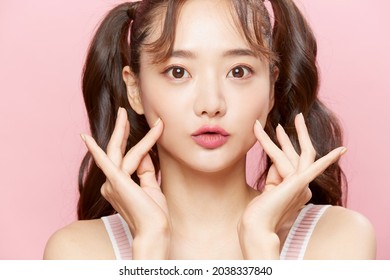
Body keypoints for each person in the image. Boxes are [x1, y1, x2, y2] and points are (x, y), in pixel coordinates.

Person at [44, 0, 376, 259]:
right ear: (135, 90)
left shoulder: (339, 240)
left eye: (239, 71)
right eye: (177, 72)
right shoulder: (76, 254)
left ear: (272, 87)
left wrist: (260, 245)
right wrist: (149, 252)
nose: (211, 103)